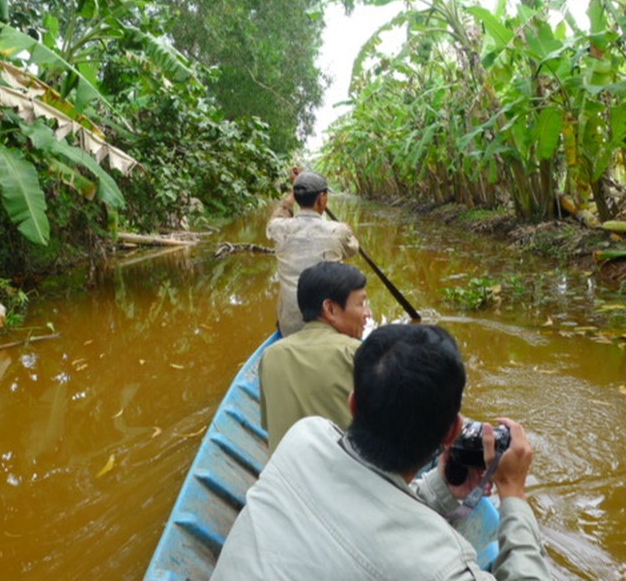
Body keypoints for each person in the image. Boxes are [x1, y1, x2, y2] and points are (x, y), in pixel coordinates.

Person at [212, 324, 552, 580]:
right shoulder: (441, 567)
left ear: (353, 404)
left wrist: (442, 491)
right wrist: (514, 493)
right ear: (452, 432)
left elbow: (366, 506)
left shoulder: (303, 437)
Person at [260, 260, 370, 453]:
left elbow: (269, 427)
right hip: (343, 480)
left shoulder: (270, 355)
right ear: (330, 309)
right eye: (361, 303)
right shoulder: (355, 354)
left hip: (283, 480)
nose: (367, 313)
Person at [266, 167, 359, 337]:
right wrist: (349, 231)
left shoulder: (278, 228)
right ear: (322, 199)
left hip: (289, 328)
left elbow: (279, 215)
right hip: (330, 328)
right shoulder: (338, 231)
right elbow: (353, 249)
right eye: (326, 196)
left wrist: (293, 192)